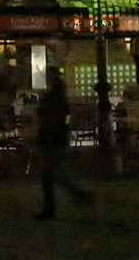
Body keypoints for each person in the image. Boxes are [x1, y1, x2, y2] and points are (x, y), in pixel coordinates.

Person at [33, 68, 91, 219]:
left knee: (50, 174)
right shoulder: (60, 96)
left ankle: (56, 205)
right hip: (56, 137)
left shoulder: (53, 97)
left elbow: (46, 114)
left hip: (51, 138)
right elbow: (64, 116)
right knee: (54, 173)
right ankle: (78, 195)